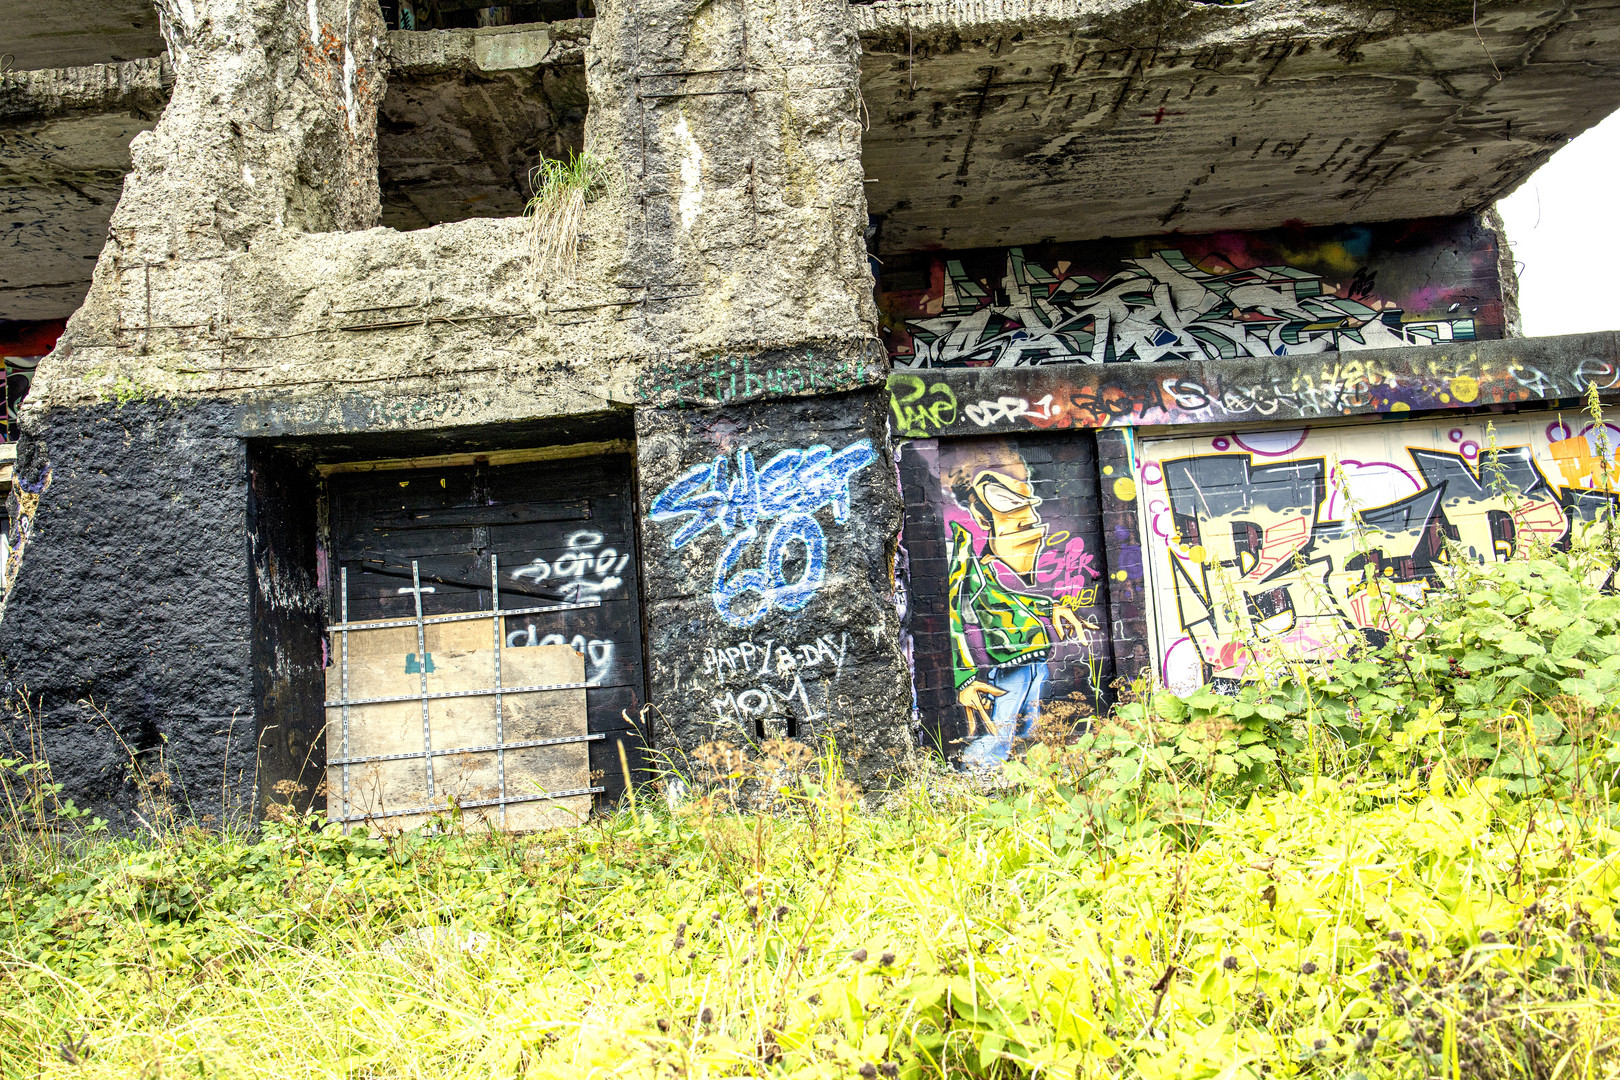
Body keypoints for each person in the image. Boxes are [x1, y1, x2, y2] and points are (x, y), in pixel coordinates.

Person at [948, 468, 1094, 766]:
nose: (1029, 520)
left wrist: (1050, 607)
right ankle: (979, 770)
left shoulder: (982, 568)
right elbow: (952, 616)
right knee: (1001, 727)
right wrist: (963, 679)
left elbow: (1008, 599)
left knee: (1029, 725)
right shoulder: (964, 555)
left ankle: (1025, 770)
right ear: (978, 514)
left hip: (1032, 655)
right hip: (1012, 657)